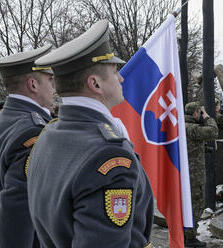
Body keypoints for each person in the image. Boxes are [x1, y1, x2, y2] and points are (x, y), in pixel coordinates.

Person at [27, 20, 154, 247]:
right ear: (95, 84)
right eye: (115, 71)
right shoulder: (108, 154)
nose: (121, 78)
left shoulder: (48, 133)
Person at [0, 45, 54, 248]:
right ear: (33, 84)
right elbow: (19, 208)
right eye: (50, 79)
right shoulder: (32, 132)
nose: (54, 86)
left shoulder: (7, 118)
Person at [184, 102, 218, 247]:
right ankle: (190, 238)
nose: (201, 114)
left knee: (186, 204)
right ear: (195, 113)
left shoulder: (181, 126)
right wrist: (208, 117)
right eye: (199, 112)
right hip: (194, 175)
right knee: (195, 204)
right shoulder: (192, 128)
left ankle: (184, 234)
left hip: (185, 174)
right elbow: (213, 131)